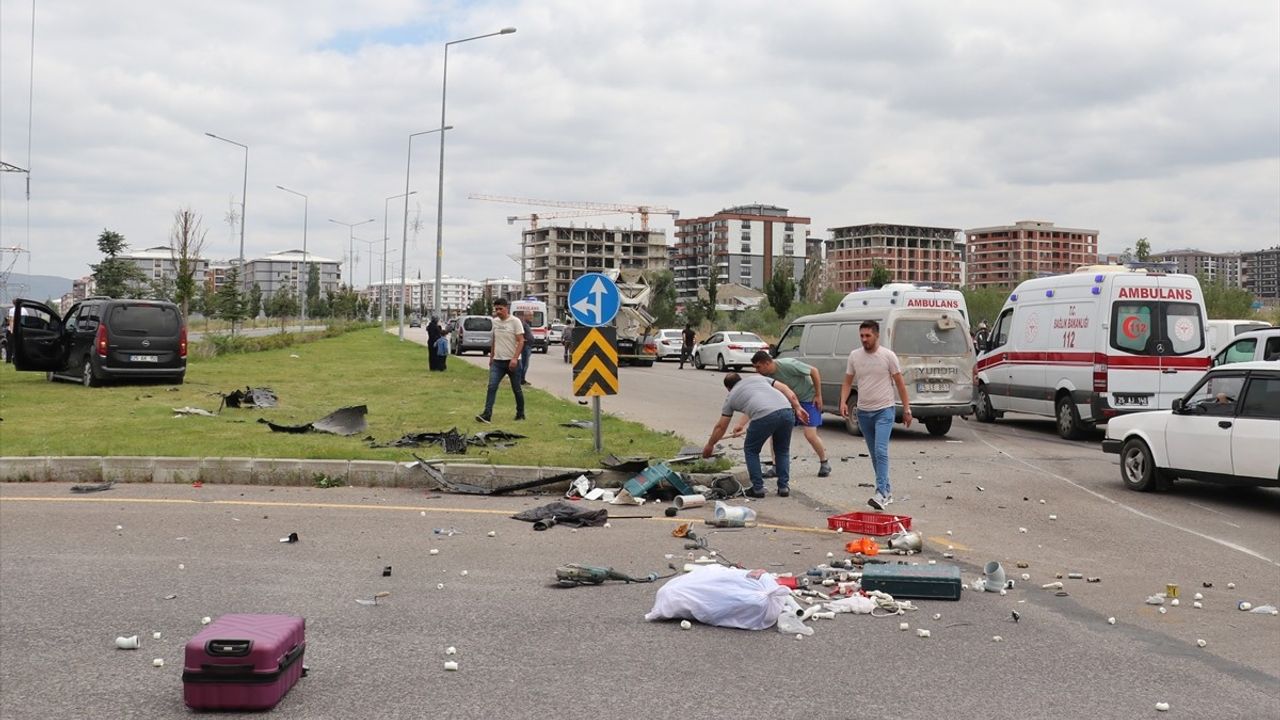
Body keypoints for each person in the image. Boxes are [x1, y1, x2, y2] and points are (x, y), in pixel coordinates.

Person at [839, 319, 912, 511]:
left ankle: (881, 492)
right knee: (874, 455)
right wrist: (843, 402)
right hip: (864, 413)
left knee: (881, 451)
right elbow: (847, 382)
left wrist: (906, 409)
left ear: (877, 335)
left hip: (884, 410)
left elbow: (901, 385)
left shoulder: (888, 356)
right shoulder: (854, 356)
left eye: (868, 335)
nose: (864, 339)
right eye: (861, 336)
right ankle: (886, 490)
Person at [702, 372, 809, 499]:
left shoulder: (731, 397)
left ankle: (758, 488)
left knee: (751, 450)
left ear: (728, 388)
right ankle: (783, 487)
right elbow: (785, 389)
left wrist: (710, 444)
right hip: (786, 411)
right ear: (740, 379)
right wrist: (797, 407)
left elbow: (721, 427)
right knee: (782, 450)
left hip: (764, 416)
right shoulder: (758, 379)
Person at [739, 350, 831, 477]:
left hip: (808, 398)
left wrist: (818, 395)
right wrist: (743, 423)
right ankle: (776, 466)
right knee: (775, 433)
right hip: (786, 402)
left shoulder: (787, 365)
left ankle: (824, 462)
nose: (757, 371)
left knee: (810, 435)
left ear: (767, 363)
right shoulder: (765, 378)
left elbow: (814, 371)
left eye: (758, 367)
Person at [476, 298, 525, 423]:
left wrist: (515, 358)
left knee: (516, 389)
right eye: (496, 309)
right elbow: (494, 340)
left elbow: (521, 341)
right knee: (491, 386)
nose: (498, 311)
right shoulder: (495, 322)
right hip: (498, 362)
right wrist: (491, 357)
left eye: (500, 309)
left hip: (512, 362)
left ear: (506, 308)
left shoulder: (515, 321)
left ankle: (520, 413)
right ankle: (487, 414)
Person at [519, 311, 535, 386]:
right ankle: (521, 380)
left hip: (528, 346)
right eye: (530, 315)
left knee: (525, 364)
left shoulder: (527, 324)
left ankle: (522, 379)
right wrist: (523, 340)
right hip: (525, 346)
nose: (532, 317)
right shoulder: (523, 324)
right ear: (525, 316)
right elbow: (520, 334)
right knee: (524, 364)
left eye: (532, 315)